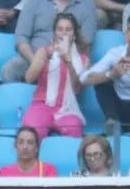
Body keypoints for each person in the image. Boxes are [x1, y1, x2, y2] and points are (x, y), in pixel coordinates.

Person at [4, 0, 97, 83]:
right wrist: (36, 62)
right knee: (10, 69)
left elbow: (85, 44)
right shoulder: (34, 2)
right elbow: (21, 38)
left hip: (68, 61)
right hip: (33, 58)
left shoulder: (87, 7)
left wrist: (65, 61)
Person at [20, 12, 86, 140]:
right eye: (60, 29)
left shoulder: (83, 59)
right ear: (55, 32)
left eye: (68, 29)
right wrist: (45, 58)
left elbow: (77, 89)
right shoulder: (44, 51)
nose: (64, 33)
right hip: (42, 105)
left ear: (74, 34)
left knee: (74, 129)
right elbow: (29, 78)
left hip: (67, 109)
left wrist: (69, 62)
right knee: (32, 130)